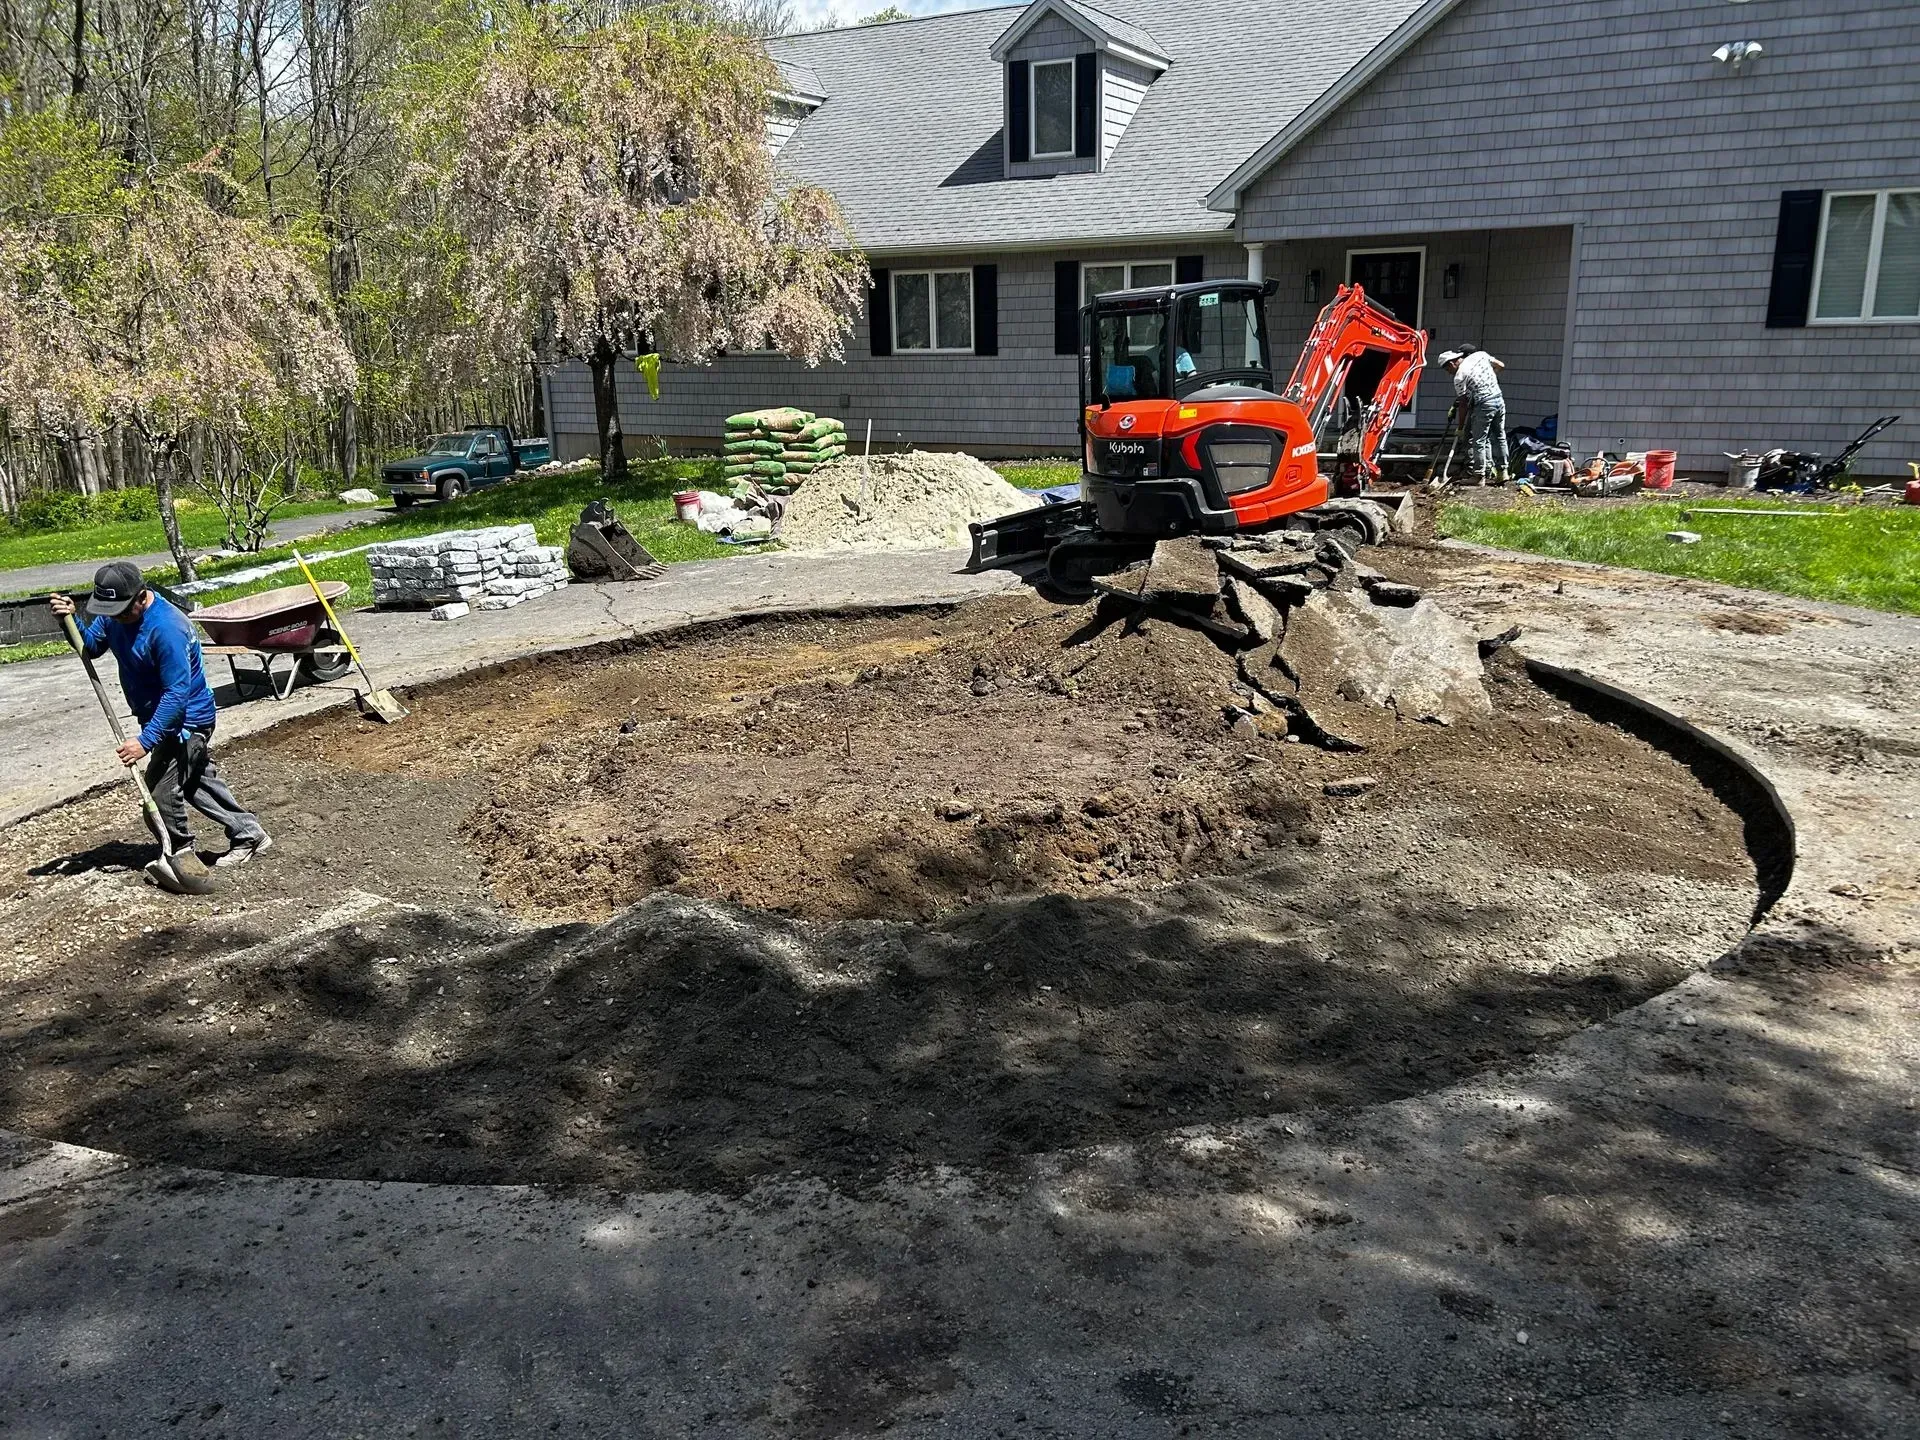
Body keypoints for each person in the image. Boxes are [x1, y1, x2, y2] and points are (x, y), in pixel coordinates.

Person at [50, 561, 273, 867]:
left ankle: (180, 853)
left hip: (185, 721)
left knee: (159, 792)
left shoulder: (167, 628)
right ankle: (249, 833)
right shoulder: (117, 613)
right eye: (109, 611)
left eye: (122, 611)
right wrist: (70, 621)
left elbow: (176, 695)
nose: (115, 618)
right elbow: (92, 646)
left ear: (142, 597)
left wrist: (145, 741)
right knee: (195, 781)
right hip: (156, 716)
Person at [1438, 346, 1509, 484]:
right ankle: (1503, 472)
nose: (1449, 373)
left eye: (1448, 369)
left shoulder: (1459, 377)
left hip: (1483, 405)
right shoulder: (1480, 355)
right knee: (1500, 436)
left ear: (1452, 363)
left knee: (1479, 441)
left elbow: (1463, 404)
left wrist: (1460, 427)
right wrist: (1489, 380)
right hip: (1499, 400)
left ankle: (1479, 476)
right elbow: (1501, 365)